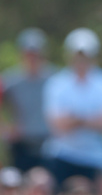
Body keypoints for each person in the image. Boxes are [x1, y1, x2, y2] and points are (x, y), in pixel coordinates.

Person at [42, 28, 102, 187]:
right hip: (62, 155)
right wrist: (92, 120)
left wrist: (74, 119)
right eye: (77, 55)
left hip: (97, 158)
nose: (81, 60)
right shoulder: (56, 84)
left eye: (85, 56)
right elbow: (57, 124)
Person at [0, 28, 56, 172]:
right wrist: (5, 128)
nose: (32, 58)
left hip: (51, 143)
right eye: (28, 53)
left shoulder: (56, 78)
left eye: (35, 53)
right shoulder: (11, 80)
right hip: (22, 145)